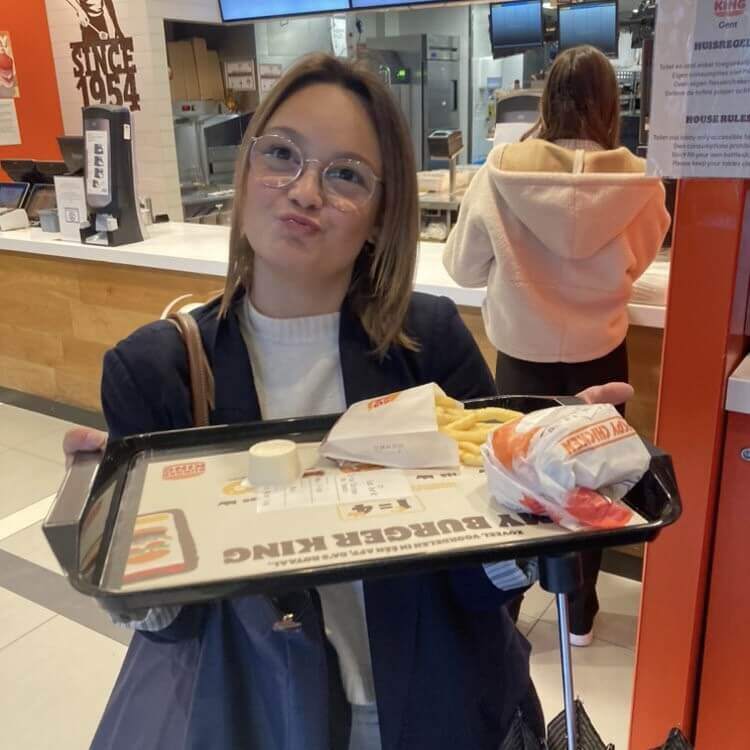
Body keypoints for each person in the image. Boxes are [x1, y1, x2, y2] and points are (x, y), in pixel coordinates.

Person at [65, 53, 547, 750]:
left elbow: (480, 585)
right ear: (246, 171)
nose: (304, 191)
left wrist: (543, 489)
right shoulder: (157, 372)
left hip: (434, 710)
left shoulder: (428, 346)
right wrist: (111, 547)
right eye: (283, 155)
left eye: (345, 174)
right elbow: (175, 625)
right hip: (262, 718)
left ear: (381, 217)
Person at [442, 45, 671, 647]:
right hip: (603, 355)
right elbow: (642, 256)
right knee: (592, 486)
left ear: (546, 99)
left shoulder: (500, 172)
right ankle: (581, 614)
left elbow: (463, 267)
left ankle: (510, 613)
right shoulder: (641, 181)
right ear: (608, 107)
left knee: (517, 484)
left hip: (521, 357)